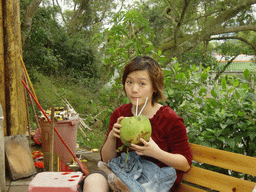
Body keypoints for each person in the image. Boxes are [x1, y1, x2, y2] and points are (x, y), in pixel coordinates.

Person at [81, 56, 192, 192]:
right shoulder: (120, 114)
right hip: (121, 175)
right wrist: (112, 136)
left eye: (142, 84)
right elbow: (107, 159)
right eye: (129, 82)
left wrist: (156, 152)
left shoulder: (169, 119)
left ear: (154, 87)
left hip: (153, 182)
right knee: (93, 181)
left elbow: (185, 164)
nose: (134, 89)